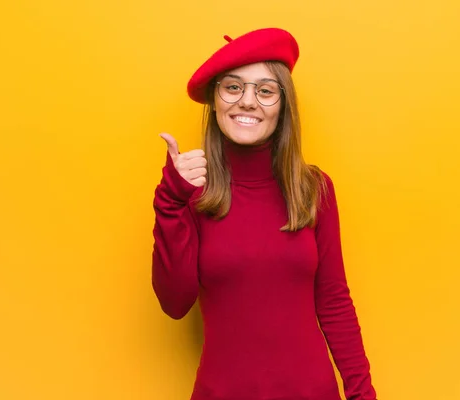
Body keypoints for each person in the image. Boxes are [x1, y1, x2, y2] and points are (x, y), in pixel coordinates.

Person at [151, 27, 377, 400]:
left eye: (265, 90)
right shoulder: (191, 192)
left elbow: (334, 299)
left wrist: (362, 394)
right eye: (233, 87)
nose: (248, 102)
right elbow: (175, 304)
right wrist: (171, 203)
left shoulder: (313, 188)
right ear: (215, 100)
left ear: (283, 105)